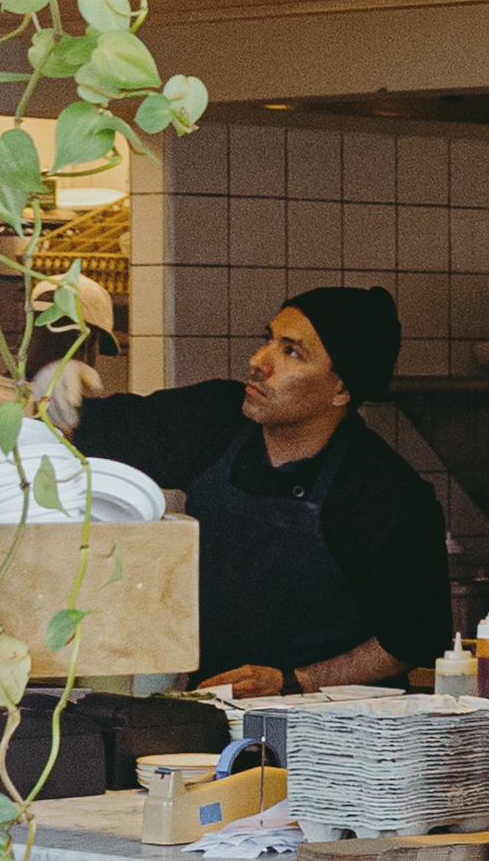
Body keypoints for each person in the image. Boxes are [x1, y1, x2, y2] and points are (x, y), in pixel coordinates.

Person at [41, 285, 452, 696]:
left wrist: (293, 681)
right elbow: (78, 432)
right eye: (269, 340)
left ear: (341, 390)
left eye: (292, 352)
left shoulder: (384, 494)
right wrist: (59, 397)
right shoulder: (216, 420)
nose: (259, 362)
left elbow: (413, 638)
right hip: (208, 704)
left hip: (332, 725)